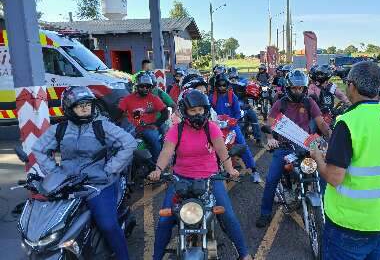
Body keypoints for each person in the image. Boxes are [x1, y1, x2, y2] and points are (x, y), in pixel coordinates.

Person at [310, 61, 380, 260]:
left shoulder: (348, 122)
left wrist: (317, 157)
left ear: (352, 85)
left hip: (350, 225)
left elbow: (333, 177)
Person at [32, 86, 136, 260]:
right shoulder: (60, 129)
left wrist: (110, 169)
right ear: (68, 108)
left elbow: (129, 144)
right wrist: (54, 172)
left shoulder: (101, 126)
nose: (85, 108)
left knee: (108, 225)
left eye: (88, 104)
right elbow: (39, 149)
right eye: (79, 105)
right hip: (67, 183)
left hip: (98, 184)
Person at [148, 89, 252, 260]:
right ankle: (156, 257)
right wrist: (158, 170)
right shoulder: (176, 129)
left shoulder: (212, 128)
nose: (198, 114)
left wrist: (230, 170)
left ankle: (244, 254)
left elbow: (222, 151)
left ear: (205, 110)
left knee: (229, 216)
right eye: (193, 111)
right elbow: (166, 152)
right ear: (185, 111)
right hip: (180, 179)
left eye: (200, 110)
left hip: (210, 179)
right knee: (164, 221)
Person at [256, 70, 332, 228]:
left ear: (304, 88)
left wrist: (331, 138)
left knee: (323, 176)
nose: (297, 91)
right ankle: (265, 213)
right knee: (271, 180)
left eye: (300, 88)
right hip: (285, 147)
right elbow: (270, 125)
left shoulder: (309, 102)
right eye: (294, 88)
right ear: (288, 88)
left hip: (308, 147)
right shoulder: (280, 103)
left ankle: (327, 208)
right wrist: (270, 139)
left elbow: (321, 124)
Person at [210, 73, 263, 183]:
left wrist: (233, 120)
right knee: (213, 150)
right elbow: (209, 113)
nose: (222, 88)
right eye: (219, 85)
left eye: (224, 85)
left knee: (243, 146)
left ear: (227, 85)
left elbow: (237, 112)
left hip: (232, 127)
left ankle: (254, 170)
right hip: (217, 128)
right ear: (216, 86)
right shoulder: (211, 98)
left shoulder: (232, 96)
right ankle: (216, 172)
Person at [119, 72, 166, 162]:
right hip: (131, 128)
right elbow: (118, 112)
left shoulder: (154, 98)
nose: (145, 89)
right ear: (137, 86)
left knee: (155, 141)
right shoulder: (127, 99)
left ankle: (155, 165)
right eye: (142, 86)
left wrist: (156, 124)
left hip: (148, 128)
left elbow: (165, 113)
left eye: (148, 86)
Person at [228, 67, 262, 145]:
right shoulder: (226, 83)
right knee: (239, 123)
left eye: (234, 73)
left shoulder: (242, 79)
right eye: (231, 73)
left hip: (244, 102)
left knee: (254, 117)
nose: (232, 75)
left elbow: (247, 83)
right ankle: (240, 142)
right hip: (233, 105)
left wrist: (238, 83)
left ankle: (258, 139)